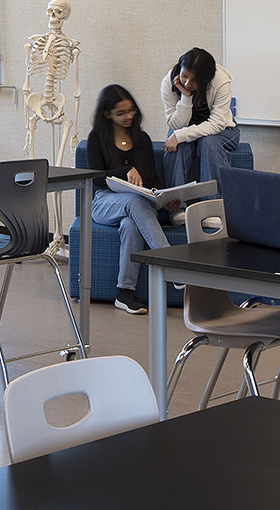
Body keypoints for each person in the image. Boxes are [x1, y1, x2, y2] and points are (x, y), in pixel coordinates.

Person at [83, 83, 180, 316]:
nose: (128, 116)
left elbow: (152, 179)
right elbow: (96, 178)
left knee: (130, 224)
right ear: (107, 114)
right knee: (133, 202)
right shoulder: (96, 138)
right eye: (121, 113)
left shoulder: (142, 139)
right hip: (105, 202)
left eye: (131, 110)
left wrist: (165, 198)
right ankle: (171, 262)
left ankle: (124, 293)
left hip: (139, 203)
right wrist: (124, 171)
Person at [157, 47, 239, 186]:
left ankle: (214, 199)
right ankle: (176, 198)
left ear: (206, 80)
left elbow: (217, 124)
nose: (187, 83)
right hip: (185, 127)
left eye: (195, 80)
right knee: (177, 148)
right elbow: (176, 126)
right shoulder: (169, 82)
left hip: (223, 130)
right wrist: (186, 97)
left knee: (208, 143)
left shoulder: (221, 81)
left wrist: (182, 135)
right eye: (184, 75)